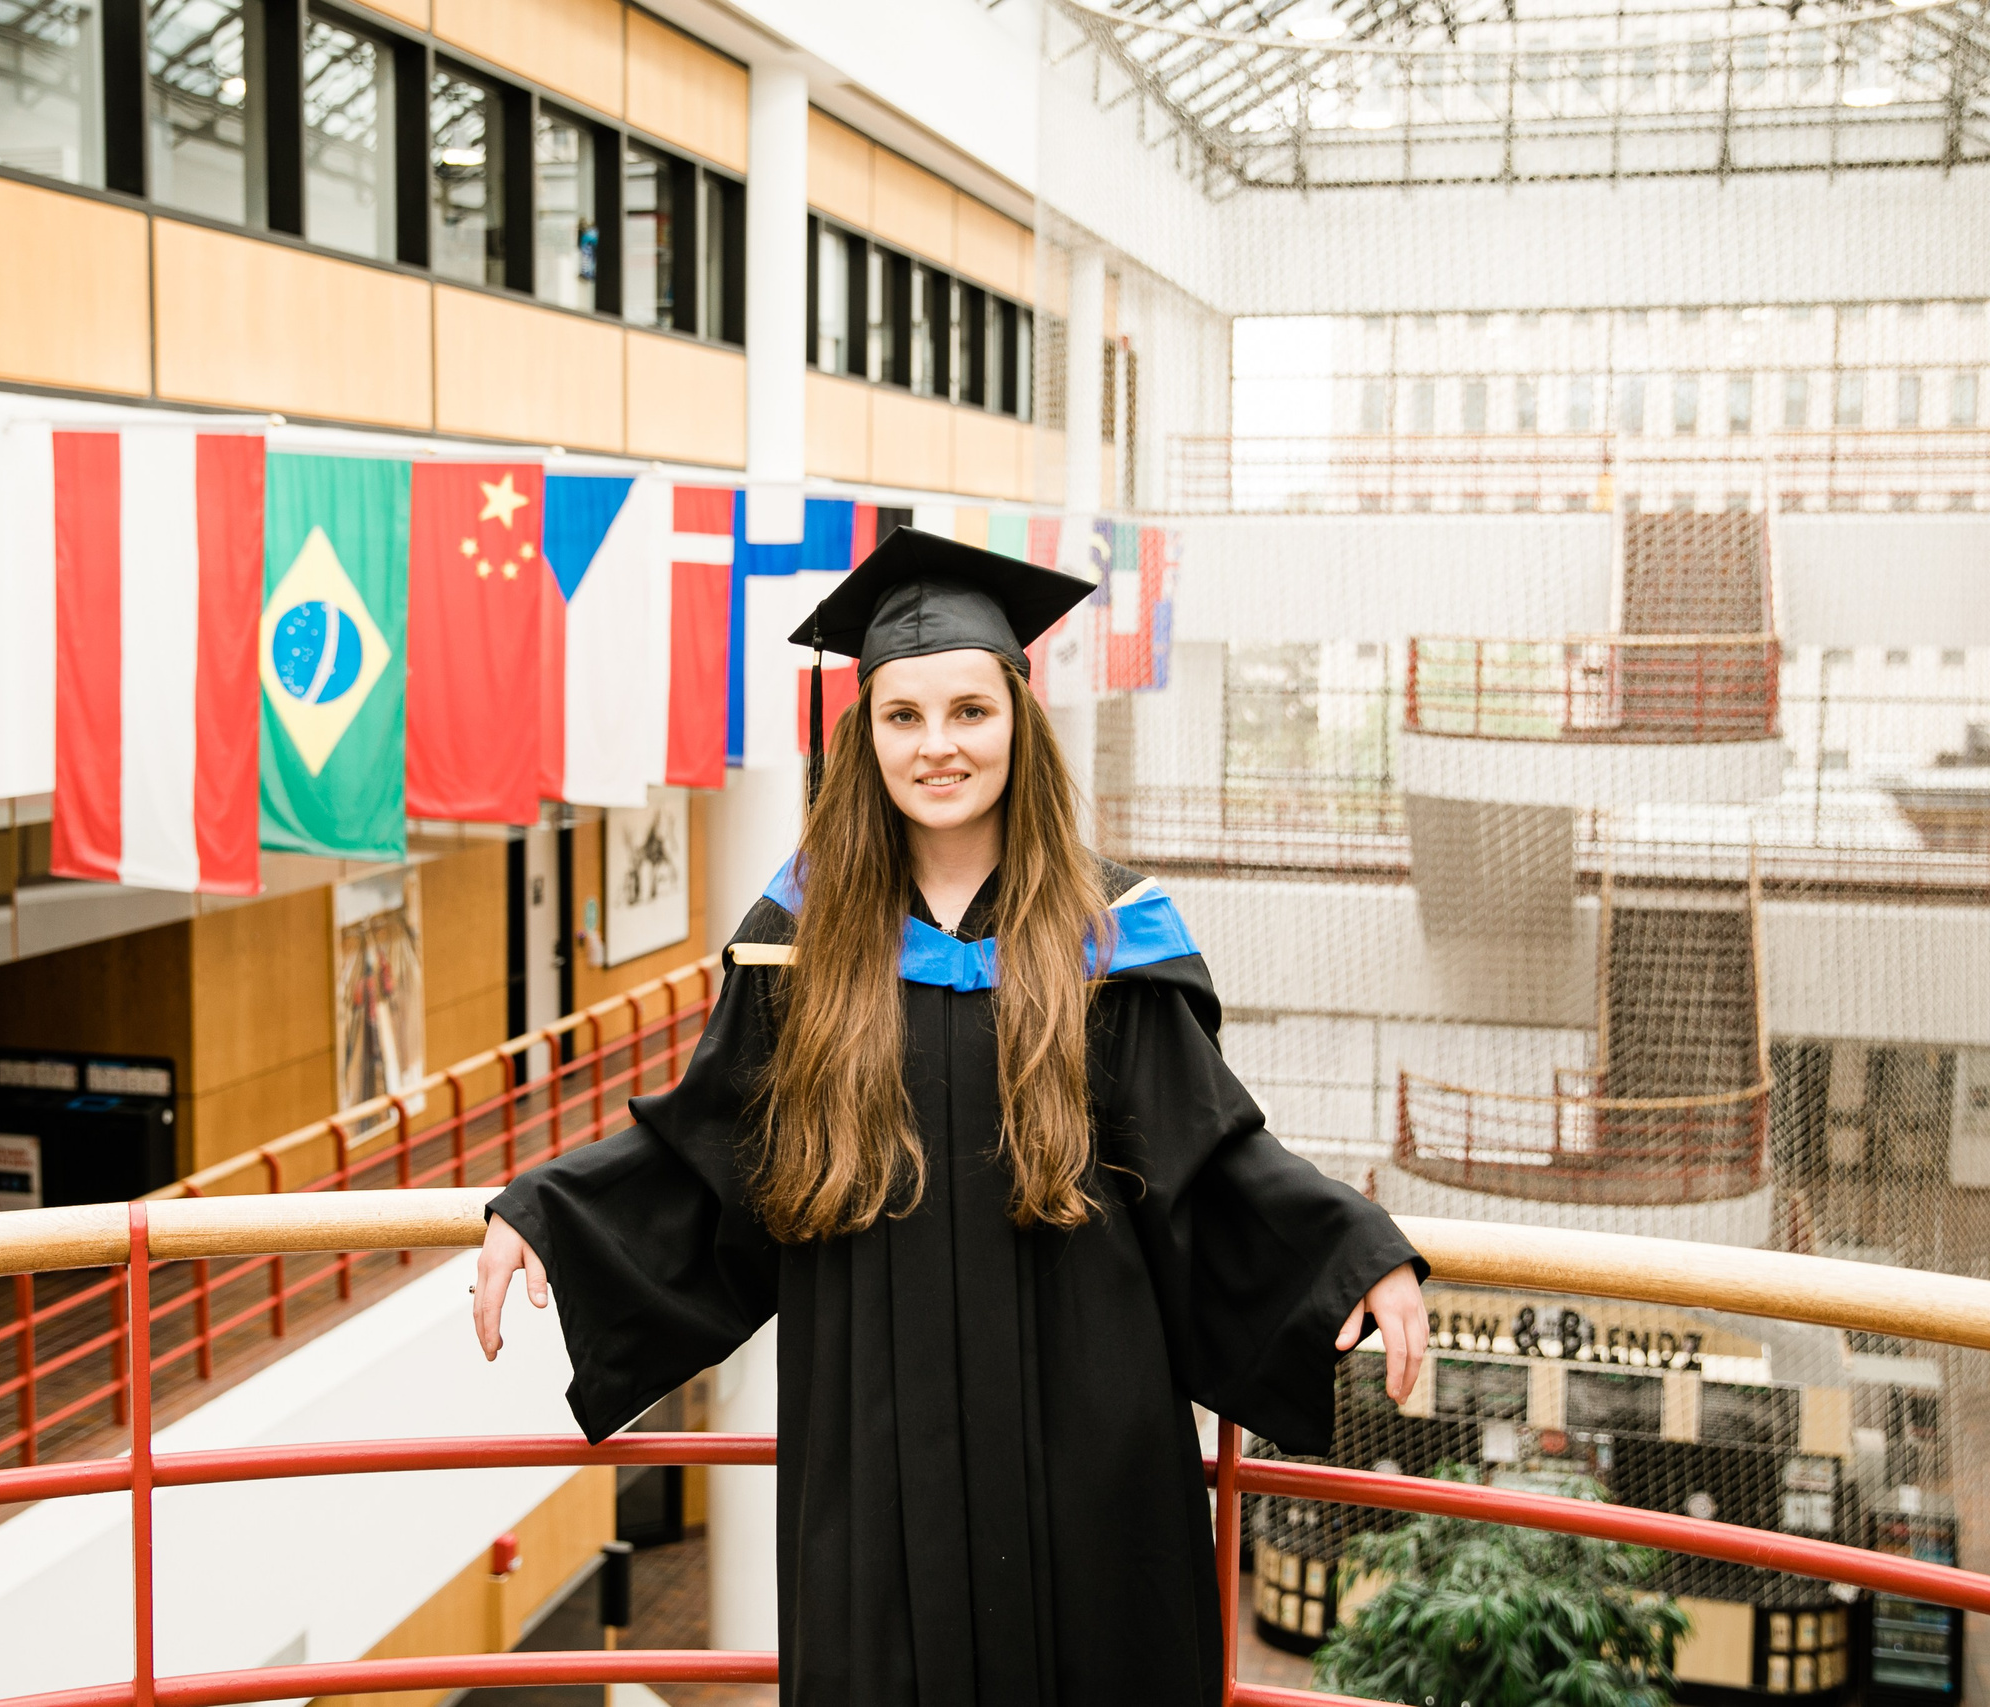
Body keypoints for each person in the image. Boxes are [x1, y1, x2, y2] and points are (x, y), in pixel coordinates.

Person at [472, 529, 1429, 1707]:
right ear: (862, 735)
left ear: (1020, 724)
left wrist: (1357, 1254)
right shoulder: (799, 938)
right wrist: (546, 1212)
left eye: (970, 711)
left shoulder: (1109, 932)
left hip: (1088, 1428)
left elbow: (1212, 1157)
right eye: (903, 717)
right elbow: (712, 1145)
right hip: (876, 1444)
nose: (938, 747)